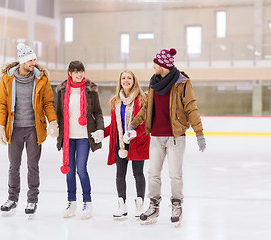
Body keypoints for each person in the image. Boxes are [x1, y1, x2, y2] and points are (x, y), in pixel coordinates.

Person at [124, 48, 206, 226]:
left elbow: (191, 108)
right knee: (153, 173)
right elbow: (147, 108)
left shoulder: (182, 83)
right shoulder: (154, 83)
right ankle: (153, 206)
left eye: (156, 63)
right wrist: (134, 123)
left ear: (163, 65)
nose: (153, 65)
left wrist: (199, 133)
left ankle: (177, 205)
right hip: (156, 136)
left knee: (175, 174)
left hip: (175, 136)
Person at [0, 43, 58, 217]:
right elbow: (1, 104)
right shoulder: (7, 78)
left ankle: (32, 200)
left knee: (33, 166)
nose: (33, 62)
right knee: (14, 166)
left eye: (34, 59)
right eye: (30, 59)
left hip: (34, 129)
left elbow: (48, 103)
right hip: (14, 129)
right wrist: (0, 126)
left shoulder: (41, 79)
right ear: (22, 61)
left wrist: (52, 122)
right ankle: (12, 198)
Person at [56, 60, 104, 219]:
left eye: (81, 71)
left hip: (84, 136)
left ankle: (87, 203)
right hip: (68, 137)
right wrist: (53, 126)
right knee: (69, 171)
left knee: (81, 169)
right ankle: (71, 203)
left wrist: (100, 129)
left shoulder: (91, 89)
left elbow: (97, 112)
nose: (79, 74)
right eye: (75, 71)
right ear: (69, 73)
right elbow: (58, 113)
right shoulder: (62, 90)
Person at [104, 70, 150, 220]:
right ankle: (122, 205)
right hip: (120, 143)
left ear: (134, 80)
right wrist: (101, 133)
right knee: (120, 174)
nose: (126, 80)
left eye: (129, 78)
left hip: (137, 142)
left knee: (138, 173)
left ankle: (139, 204)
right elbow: (114, 125)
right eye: (123, 78)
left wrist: (137, 133)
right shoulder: (115, 101)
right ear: (120, 81)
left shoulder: (142, 99)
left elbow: (147, 123)